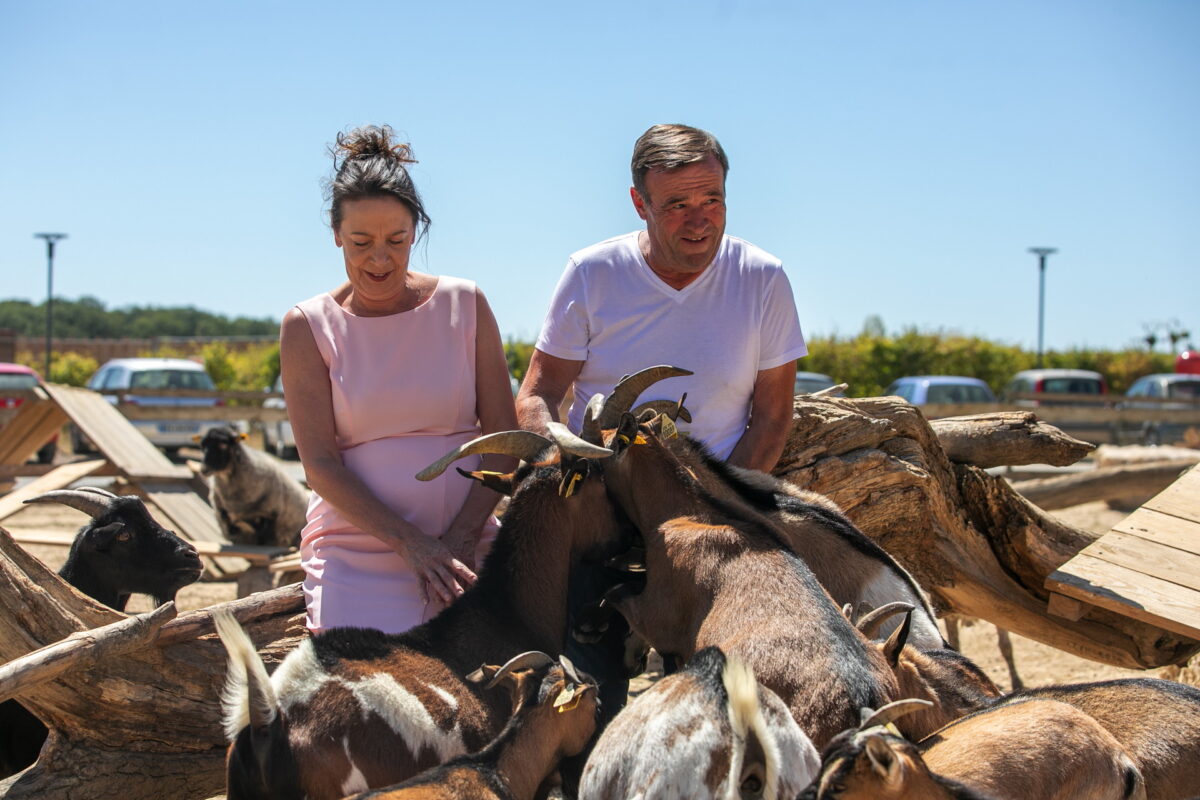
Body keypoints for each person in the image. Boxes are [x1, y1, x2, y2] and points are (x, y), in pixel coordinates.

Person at [280, 125, 517, 634]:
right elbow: (319, 464)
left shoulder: (466, 303)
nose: (380, 259)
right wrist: (412, 544)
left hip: (466, 544)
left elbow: (504, 439)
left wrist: (458, 539)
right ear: (336, 232)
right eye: (361, 241)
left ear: (418, 231)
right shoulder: (306, 327)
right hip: (355, 548)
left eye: (398, 240)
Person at [517, 123, 807, 471]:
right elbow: (538, 395)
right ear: (640, 203)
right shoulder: (591, 273)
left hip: (716, 497)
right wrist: (570, 479)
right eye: (678, 205)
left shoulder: (762, 278)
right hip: (603, 493)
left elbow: (771, 418)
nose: (699, 222)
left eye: (712, 200)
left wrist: (723, 504)